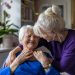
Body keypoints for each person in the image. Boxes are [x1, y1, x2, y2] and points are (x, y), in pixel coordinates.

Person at [33, 5, 75, 75]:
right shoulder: (51, 38)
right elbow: (31, 41)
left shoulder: (73, 41)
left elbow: (62, 67)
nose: (41, 37)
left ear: (52, 32)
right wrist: (13, 52)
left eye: (43, 33)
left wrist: (46, 60)